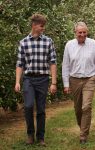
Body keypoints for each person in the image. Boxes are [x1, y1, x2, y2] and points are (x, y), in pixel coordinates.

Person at [15, 13, 57, 146]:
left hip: (43, 79)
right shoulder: (23, 42)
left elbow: (53, 62)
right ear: (34, 26)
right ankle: (30, 135)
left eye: (44, 26)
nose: (43, 28)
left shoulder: (48, 41)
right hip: (28, 79)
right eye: (41, 26)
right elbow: (20, 64)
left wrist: (53, 82)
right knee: (27, 106)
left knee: (41, 109)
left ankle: (41, 137)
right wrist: (17, 82)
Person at [62, 22, 95, 144]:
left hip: (90, 79)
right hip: (74, 80)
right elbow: (65, 66)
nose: (82, 34)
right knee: (78, 109)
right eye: (79, 32)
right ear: (75, 33)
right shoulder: (69, 45)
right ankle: (83, 127)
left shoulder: (93, 44)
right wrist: (66, 84)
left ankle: (83, 135)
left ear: (87, 32)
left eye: (84, 32)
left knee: (86, 106)